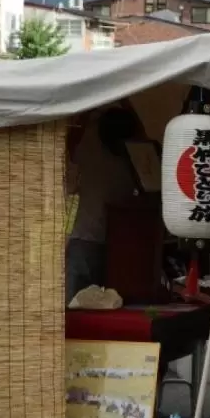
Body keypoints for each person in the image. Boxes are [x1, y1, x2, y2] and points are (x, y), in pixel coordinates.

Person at [65, 106, 140, 302]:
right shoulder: (133, 162)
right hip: (115, 245)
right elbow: (144, 139)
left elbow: (70, 142)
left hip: (85, 240)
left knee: (73, 308)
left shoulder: (89, 155)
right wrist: (127, 100)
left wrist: (87, 110)